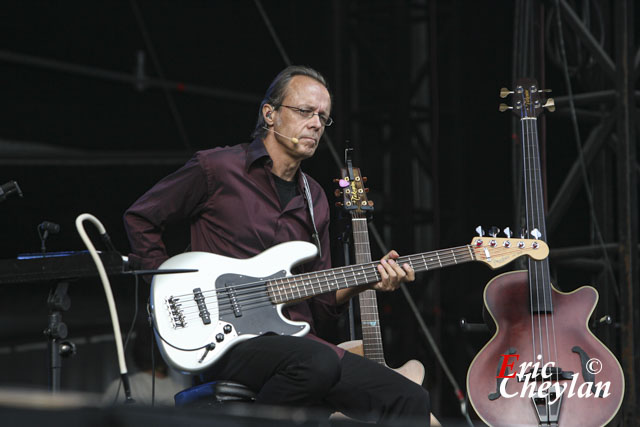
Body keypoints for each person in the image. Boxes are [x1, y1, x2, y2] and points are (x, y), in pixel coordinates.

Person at [123, 65, 431, 425]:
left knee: (409, 396)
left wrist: (369, 278)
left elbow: (320, 302)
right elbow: (141, 217)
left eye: (323, 118)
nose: (316, 124)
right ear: (270, 114)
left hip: (295, 342)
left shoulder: (314, 196)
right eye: (305, 111)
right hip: (226, 340)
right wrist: (167, 288)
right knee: (316, 363)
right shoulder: (217, 169)